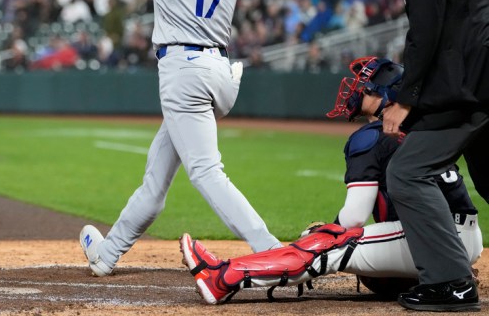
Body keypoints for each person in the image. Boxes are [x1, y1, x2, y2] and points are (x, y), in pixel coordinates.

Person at [79, 0, 282, 277]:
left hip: (184, 73)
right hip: (220, 72)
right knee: (157, 176)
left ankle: (272, 251)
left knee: (206, 171)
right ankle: (108, 253)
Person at [179, 56, 482, 305]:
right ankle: (446, 273)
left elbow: (353, 218)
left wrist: (321, 234)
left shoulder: (371, 137)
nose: (357, 89)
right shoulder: (421, 131)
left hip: (434, 236)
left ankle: (223, 277)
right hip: (459, 237)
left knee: (331, 243)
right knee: (362, 257)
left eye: (366, 86)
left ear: (385, 95)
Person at [379, 0, 489, 311]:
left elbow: (426, 30)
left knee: (406, 173)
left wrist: (406, 100)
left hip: (464, 84)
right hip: (482, 76)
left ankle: (450, 282)